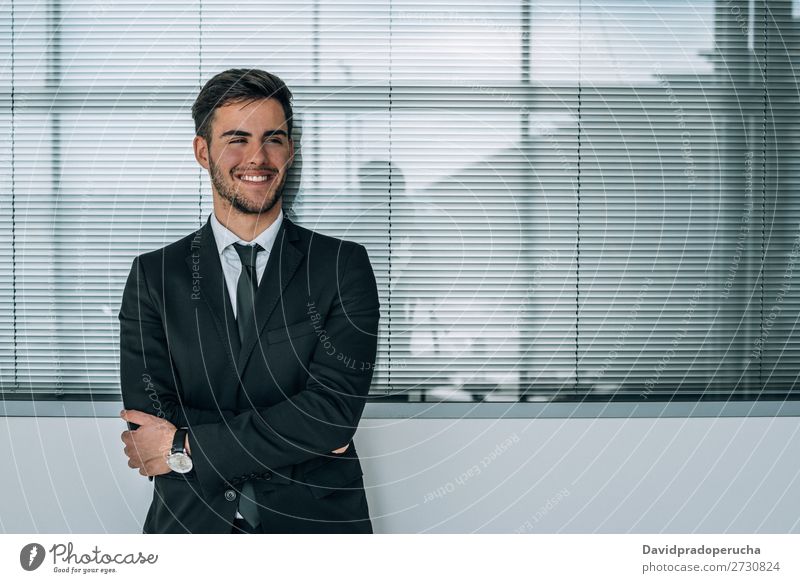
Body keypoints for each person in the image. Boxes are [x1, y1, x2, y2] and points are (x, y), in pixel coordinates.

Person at [118, 68, 380, 534]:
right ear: (203, 151)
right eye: (236, 138)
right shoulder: (155, 277)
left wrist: (185, 443)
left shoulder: (342, 266)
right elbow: (149, 418)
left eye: (273, 138)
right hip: (191, 526)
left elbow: (332, 417)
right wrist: (299, 433)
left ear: (291, 150)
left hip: (315, 532)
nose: (257, 157)